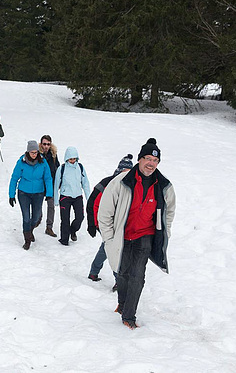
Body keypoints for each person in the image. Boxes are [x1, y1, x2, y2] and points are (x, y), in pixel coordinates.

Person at [98, 138, 176, 329]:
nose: (151, 164)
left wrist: (165, 232)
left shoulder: (163, 186)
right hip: (123, 236)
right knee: (122, 273)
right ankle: (123, 304)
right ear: (140, 159)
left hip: (145, 236)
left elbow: (169, 212)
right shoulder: (121, 182)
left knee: (137, 276)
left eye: (155, 161)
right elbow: (105, 212)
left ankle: (129, 315)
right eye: (148, 158)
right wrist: (108, 238)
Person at [86, 154, 134, 290]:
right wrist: (91, 224)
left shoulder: (131, 185)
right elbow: (91, 203)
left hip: (119, 224)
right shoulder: (107, 183)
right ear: (119, 171)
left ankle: (93, 272)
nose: (126, 175)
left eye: (128, 172)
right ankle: (118, 280)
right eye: (124, 171)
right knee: (114, 249)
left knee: (107, 247)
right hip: (104, 223)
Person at [9, 140, 53, 250]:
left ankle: (30, 231)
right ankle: (27, 240)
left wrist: (49, 193)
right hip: (24, 193)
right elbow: (14, 178)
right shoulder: (21, 162)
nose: (34, 154)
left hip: (38, 193)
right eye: (32, 152)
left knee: (36, 217)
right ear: (28, 152)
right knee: (26, 217)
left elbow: (47, 178)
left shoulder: (42, 162)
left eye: (36, 152)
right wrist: (11, 195)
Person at [54, 146, 90, 246]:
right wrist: (56, 199)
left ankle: (72, 230)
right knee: (65, 220)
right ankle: (64, 240)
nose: (72, 161)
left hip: (77, 196)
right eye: (70, 159)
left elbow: (85, 183)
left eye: (74, 158)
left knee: (80, 217)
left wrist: (89, 197)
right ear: (67, 158)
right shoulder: (62, 169)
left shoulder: (80, 168)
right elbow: (56, 184)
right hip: (65, 197)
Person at [39, 135, 60, 237]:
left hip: (51, 184)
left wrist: (59, 182)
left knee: (51, 206)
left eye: (48, 144)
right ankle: (37, 219)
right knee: (37, 205)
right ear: (41, 144)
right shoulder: (36, 154)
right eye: (44, 144)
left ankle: (49, 227)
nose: (46, 146)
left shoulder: (54, 155)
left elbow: (58, 168)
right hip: (39, 184)